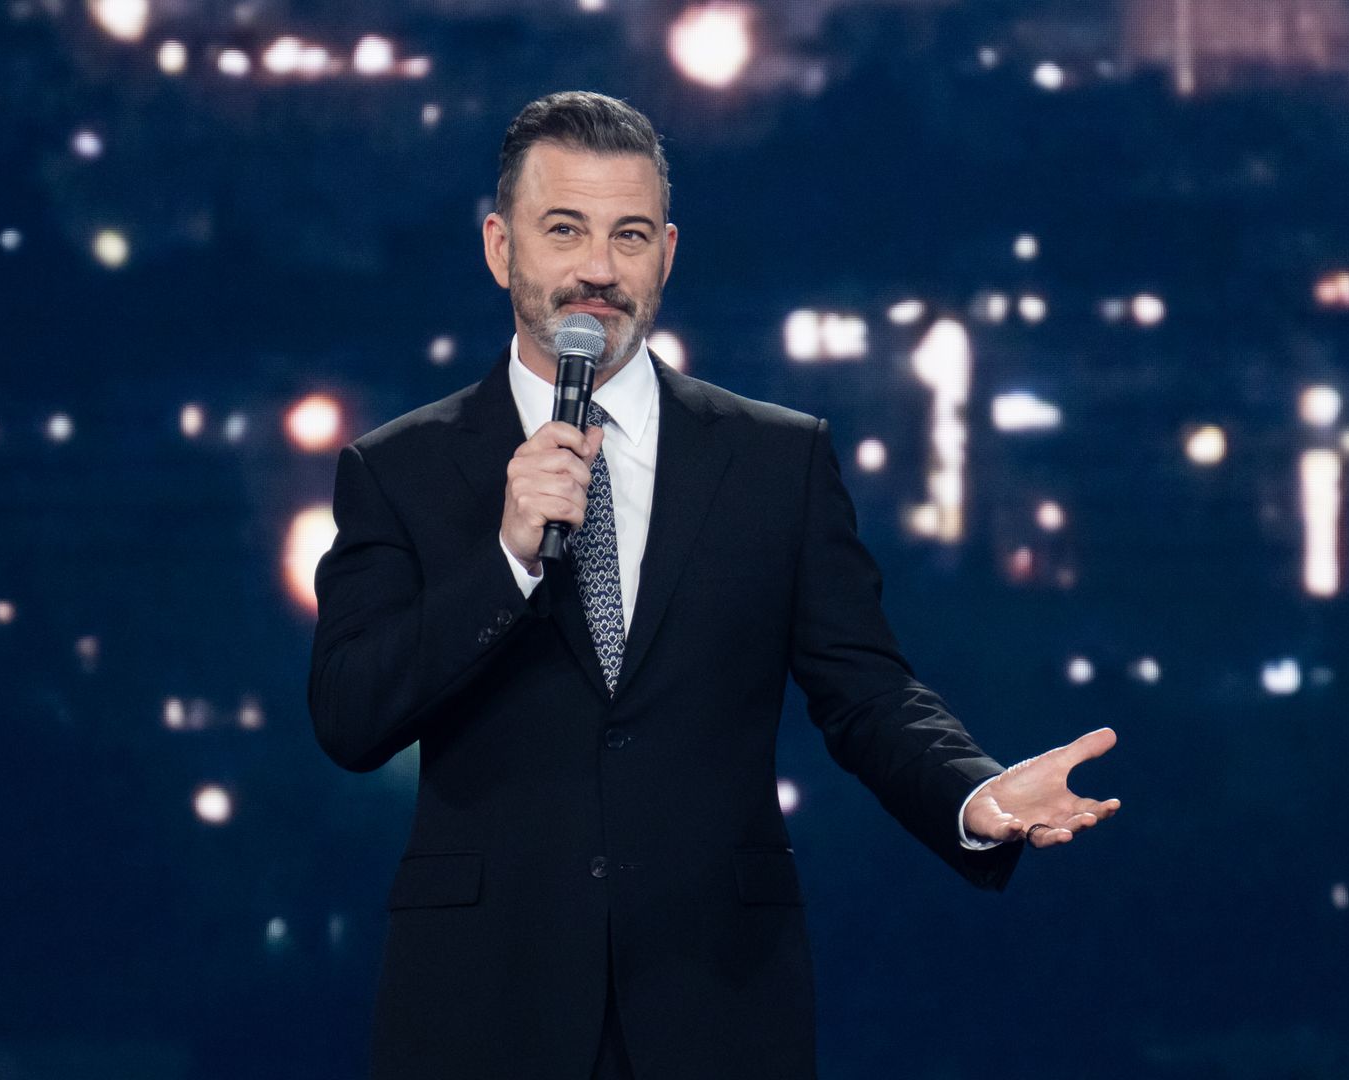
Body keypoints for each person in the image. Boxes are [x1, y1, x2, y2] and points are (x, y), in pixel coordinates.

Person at [307, 90, 1121, 1080]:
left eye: (630, 235)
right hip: (485, 1005)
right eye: (564, 230)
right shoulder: (401, 471)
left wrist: (976, 793)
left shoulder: (777, 460)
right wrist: (509, 559)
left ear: (668, 254)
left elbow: (866, 692)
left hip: (719, 1004)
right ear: (499, 247)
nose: (598, 269)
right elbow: (351, 714)